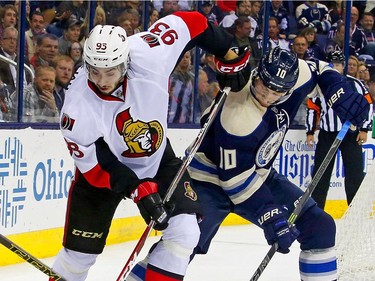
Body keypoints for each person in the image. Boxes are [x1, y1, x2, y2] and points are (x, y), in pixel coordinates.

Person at [51, 11, 244, 281]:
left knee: (185, 233)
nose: (103, 80)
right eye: (94, 71)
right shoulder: (75, 108)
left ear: (125, 60)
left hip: (156, 160)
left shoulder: (149, 53)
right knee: (77, 259)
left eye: (110, 71)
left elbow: (192, 23)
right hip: (104, 178)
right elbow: (98, 167)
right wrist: (136, 188)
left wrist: (229, 50)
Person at [188, 46, 370, 280]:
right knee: (182, 242)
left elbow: (320, 70)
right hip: (208, 178)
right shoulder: (237, 112)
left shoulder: (296, 76)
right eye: (265, 86)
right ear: (258, 73)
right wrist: (269, 214)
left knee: (319, 227)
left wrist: (338, 90)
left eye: (278, 92)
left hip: (258, 174)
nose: (268, 96)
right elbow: (234, 180)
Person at [306, 50, 373, 209]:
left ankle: (355, 210)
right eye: (333, 64)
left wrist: (364, 128)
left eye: (338, 64)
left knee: (354, 174)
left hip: (351, 134)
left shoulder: (355, 84)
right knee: (320, 174)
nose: (336, 67)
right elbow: (313, 109)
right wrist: (310, 131)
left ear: (343, 66)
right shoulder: (320, 86)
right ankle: (316, 210)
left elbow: (367, 105)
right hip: (327, 134)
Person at [168, 50, 194, 124]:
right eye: (182, 57)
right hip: (171, 117)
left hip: (186, 117)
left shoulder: (192, 77)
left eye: (187, 57)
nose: (185, 59)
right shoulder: (171, 75)